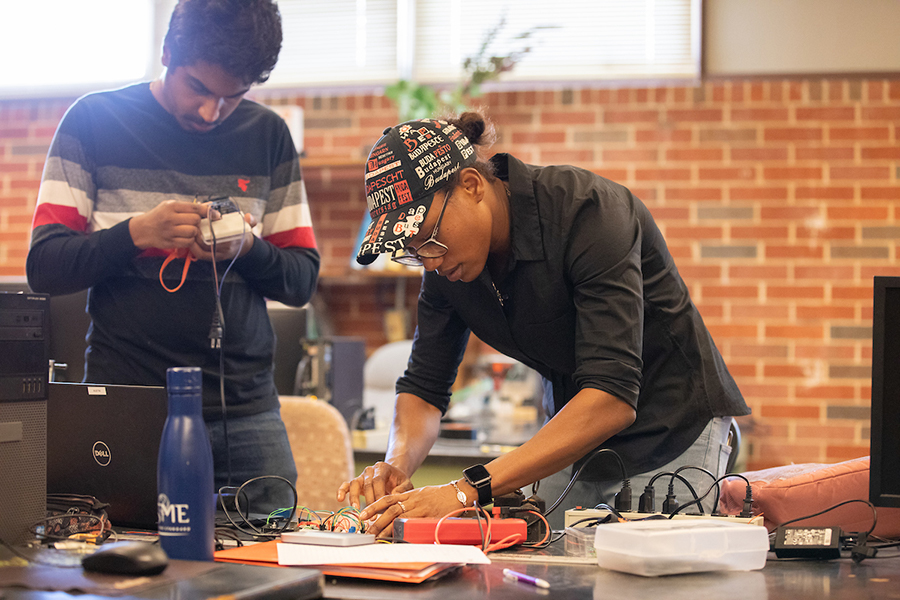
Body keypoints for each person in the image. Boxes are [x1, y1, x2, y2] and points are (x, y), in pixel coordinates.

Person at [337, 113, 750, 533]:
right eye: (412, 250)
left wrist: (466, 489)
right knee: (538, 560)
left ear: (472, 186)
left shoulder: (588, 213)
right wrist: (395, 465)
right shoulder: (445, 265)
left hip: (672, 426)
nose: (429, 260)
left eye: (429, 237)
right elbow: (424, 386)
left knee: (648, 577)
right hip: (576, 433)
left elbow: (611, 395)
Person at [26, 0, 319, 513]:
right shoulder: (92, 121)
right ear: (166, 53)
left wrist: (245, 248)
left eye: (234, 96)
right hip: (128, 406)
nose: (212, 112)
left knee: (268, 576)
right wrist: (138, 233)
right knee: (121, 577)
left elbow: (300, 281)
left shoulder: (269, 135)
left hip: (245, 414)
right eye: (199, 89)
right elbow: (45, 265)